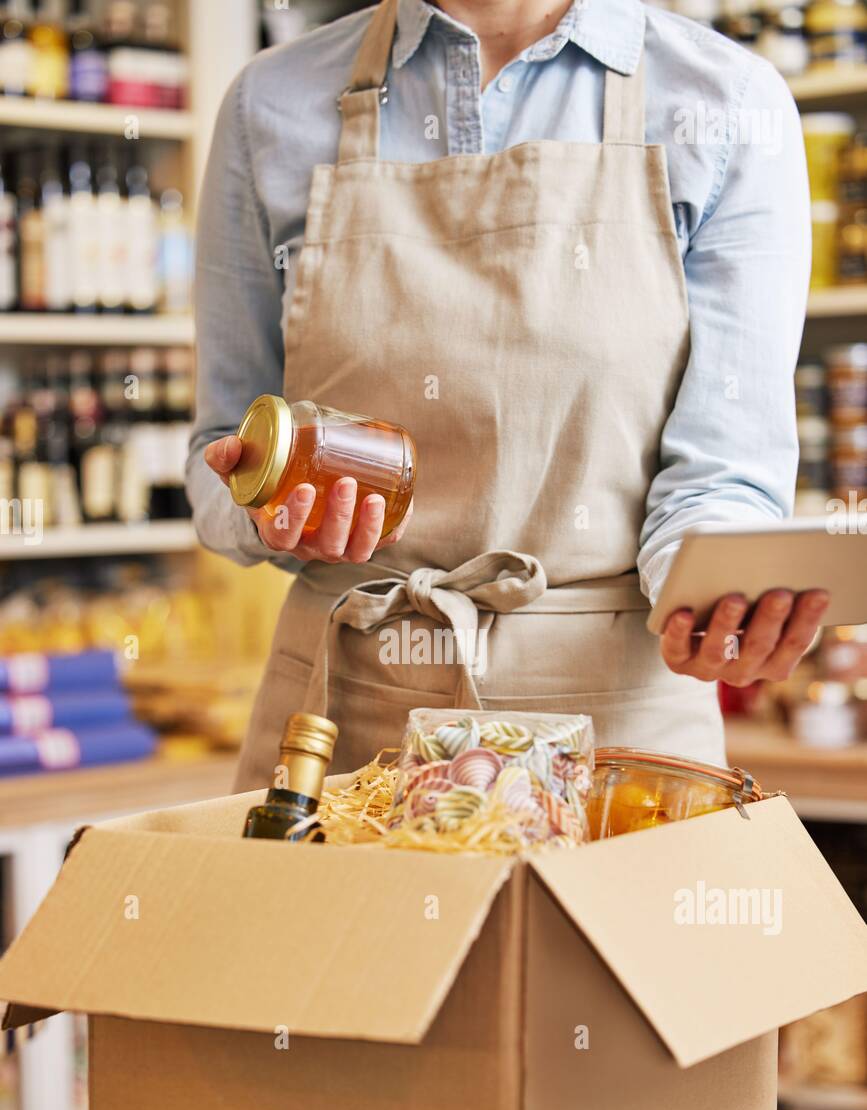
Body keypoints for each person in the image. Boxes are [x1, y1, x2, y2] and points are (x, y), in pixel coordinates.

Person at [188, 0, 825, 783]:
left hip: (615, 734)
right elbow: (219, 449)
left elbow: (719, 477)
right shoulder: (270, 102)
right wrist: (269, 508)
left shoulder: (725, 103)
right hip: (338, 721)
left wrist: (725, 595)